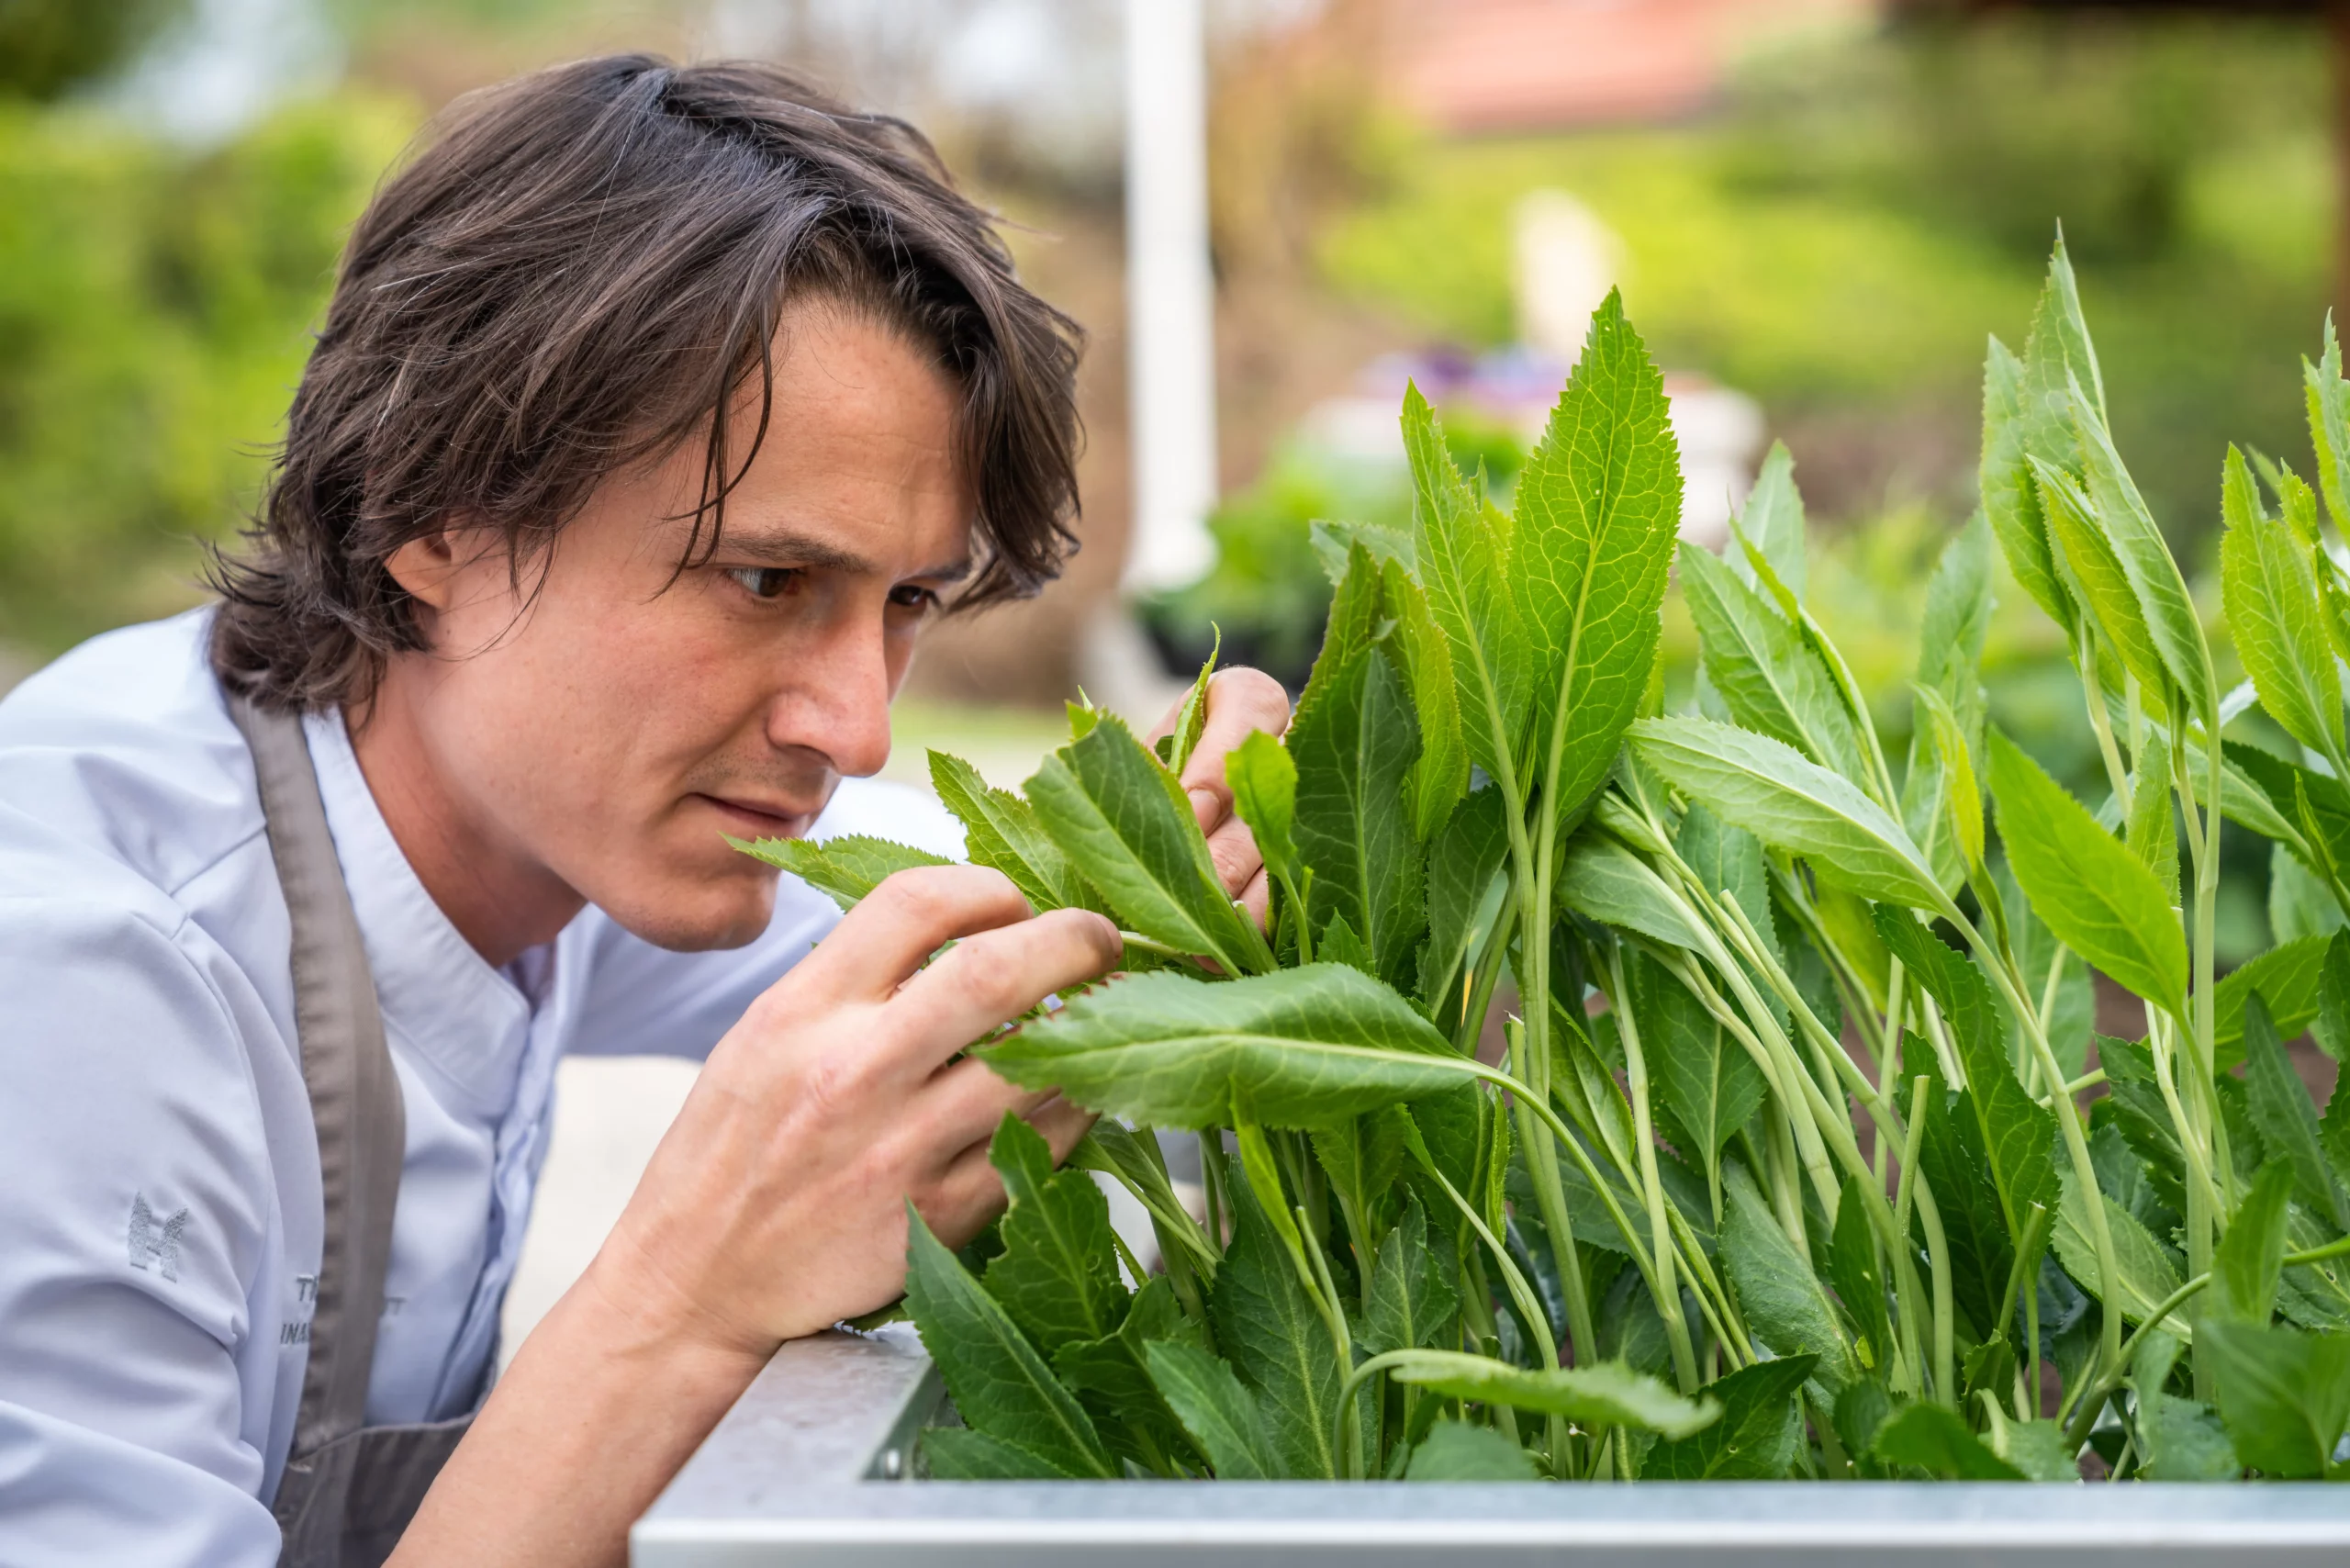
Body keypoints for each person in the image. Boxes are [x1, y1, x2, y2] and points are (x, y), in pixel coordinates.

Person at [0, 55, 1286, 1568]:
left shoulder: (536, 833)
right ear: (436, 510)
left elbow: (957, 982)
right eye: (765, 583)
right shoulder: (83, 979)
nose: (855, 730)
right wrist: (687, 1299)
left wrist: (1205, 840)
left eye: (907, 604)